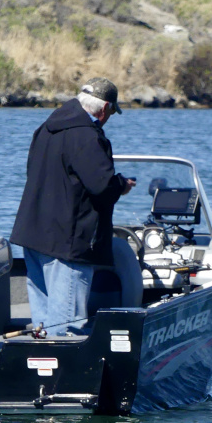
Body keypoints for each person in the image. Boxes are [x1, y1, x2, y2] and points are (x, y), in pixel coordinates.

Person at [11, 77, 137, 336]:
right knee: (67, 327)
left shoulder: (46, 128)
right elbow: (101, 187)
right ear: (104, 109)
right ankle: (62, 375)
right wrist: (121, 185)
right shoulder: (87, 137)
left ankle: (42, 372)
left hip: (35, 236)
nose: (109, 117)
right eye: (112, 112)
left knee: (43, 326)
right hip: (68, 245)